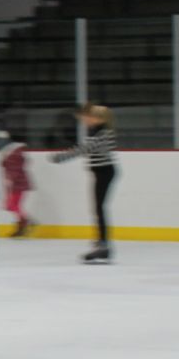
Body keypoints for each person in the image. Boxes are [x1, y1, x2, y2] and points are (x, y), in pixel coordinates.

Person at [51, 103, 119, 263]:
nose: (84, 121)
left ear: (96, 118)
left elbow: (84, 149)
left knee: (99, 209)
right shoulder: (98, 131)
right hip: (102, 172)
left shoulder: (102, 133)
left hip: (105, 172)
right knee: (98, 208)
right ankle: (102, 245)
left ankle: (103, 246)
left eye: (87, 118)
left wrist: (61, 157)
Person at [0, 127, 34, 237]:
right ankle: (22, 225)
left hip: (17, 184)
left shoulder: (15, 152)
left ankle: (25, 221)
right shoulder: (12, 151)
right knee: (11, 205)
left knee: (12, 205)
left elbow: (15, 168)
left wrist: (11, 179)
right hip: (15, 183)